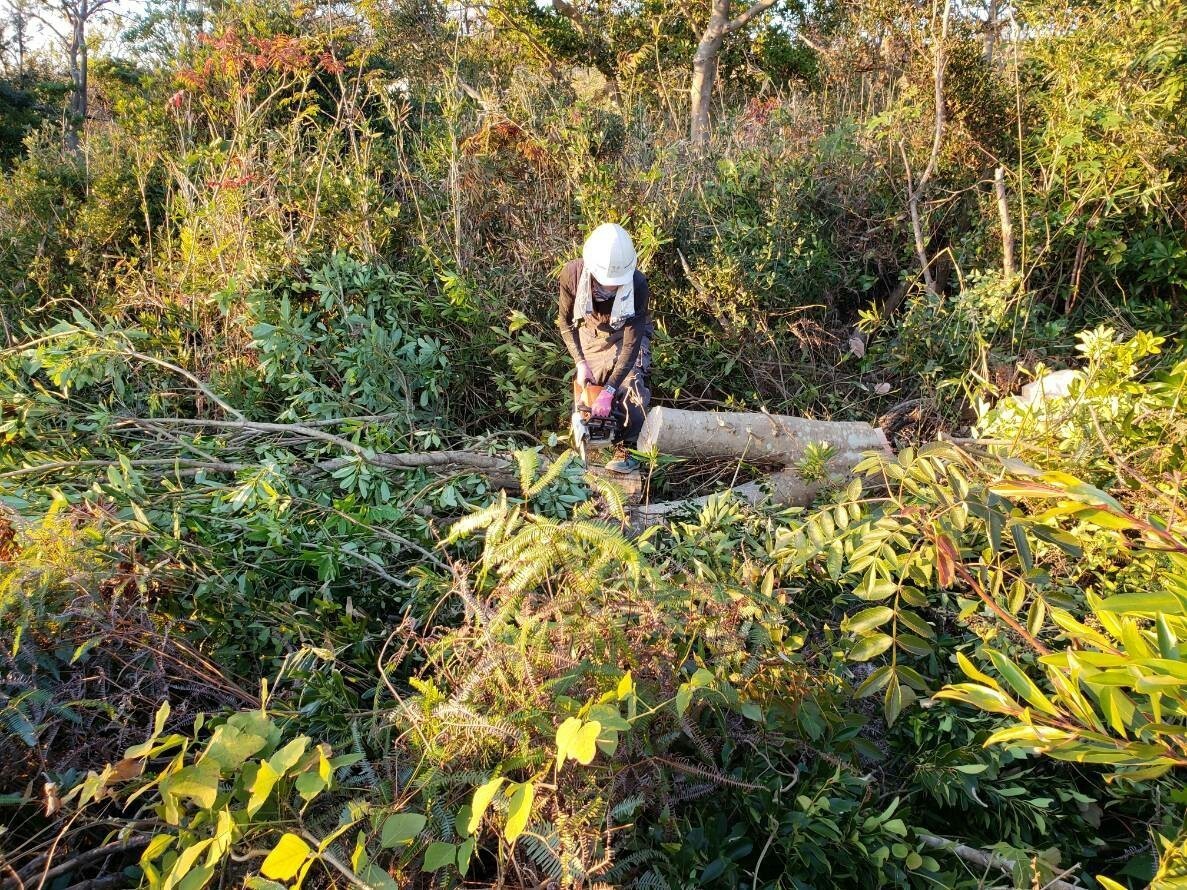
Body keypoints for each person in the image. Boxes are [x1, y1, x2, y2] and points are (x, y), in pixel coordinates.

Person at [556, 223, 653, 474]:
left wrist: (611, 389)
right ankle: (590, 444)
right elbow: (565, 322)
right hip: (590, 331)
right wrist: (580, 362)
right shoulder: (573, 275)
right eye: (604, 284)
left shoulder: (638, 284)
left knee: (631, 385)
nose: (609, 289)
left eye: (615, 284)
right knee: (589, 392)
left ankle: (630, 450)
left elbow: (632, 344)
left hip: (627, 333)